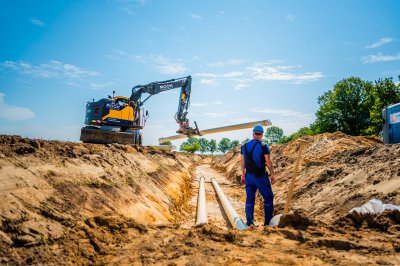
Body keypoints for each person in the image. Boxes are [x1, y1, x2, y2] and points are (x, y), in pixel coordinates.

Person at [240, 124, 276, 226]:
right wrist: (273, 175)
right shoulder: (263, 146)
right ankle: (268, 223)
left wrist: (243, 175)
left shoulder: (244, 146)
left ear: (253, 133)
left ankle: (250, 222)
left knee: (250, 198)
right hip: (260, 177)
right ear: (261, 135)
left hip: (249, 176)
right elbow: (268, 162)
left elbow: (242, 161)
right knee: (268, 197)